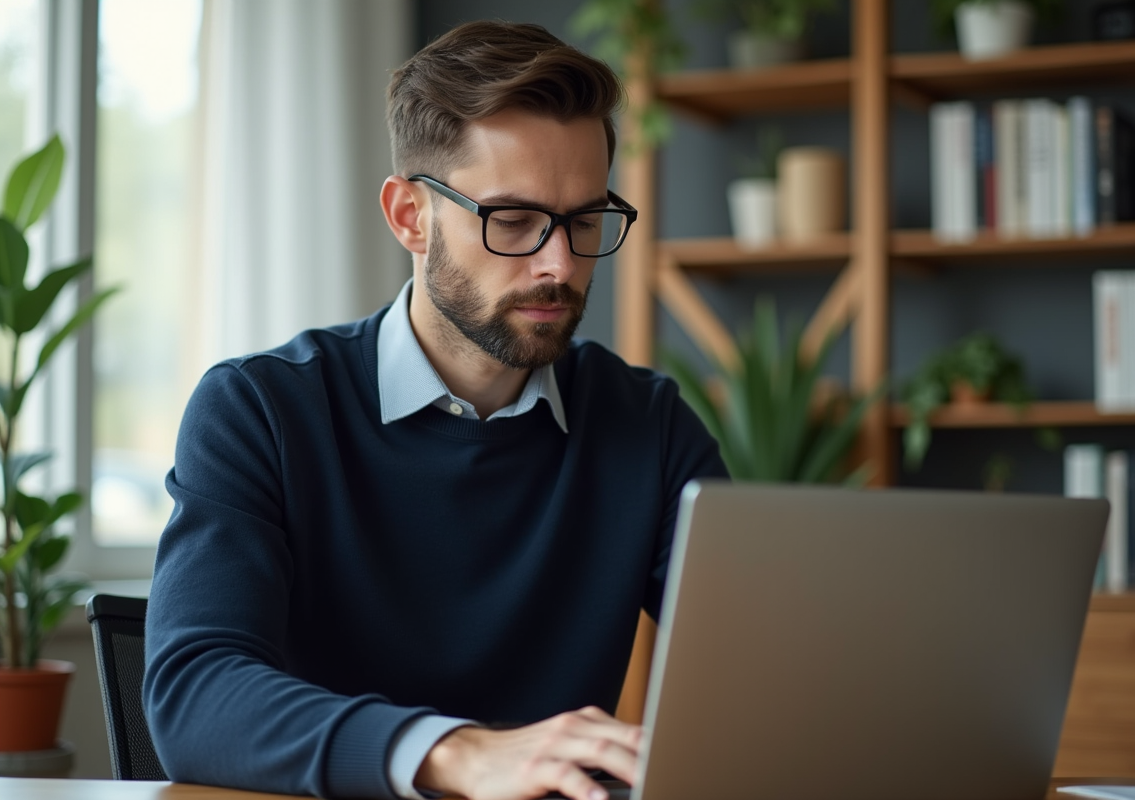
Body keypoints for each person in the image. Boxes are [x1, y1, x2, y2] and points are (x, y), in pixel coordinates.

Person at [143, 19, 728, 800]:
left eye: (585, 221)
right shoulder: (260, 410)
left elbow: (762, 670)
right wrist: (455, 753)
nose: (560, 264)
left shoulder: (647, 427)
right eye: (513, 221)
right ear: (409, 217)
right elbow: (194, 697)